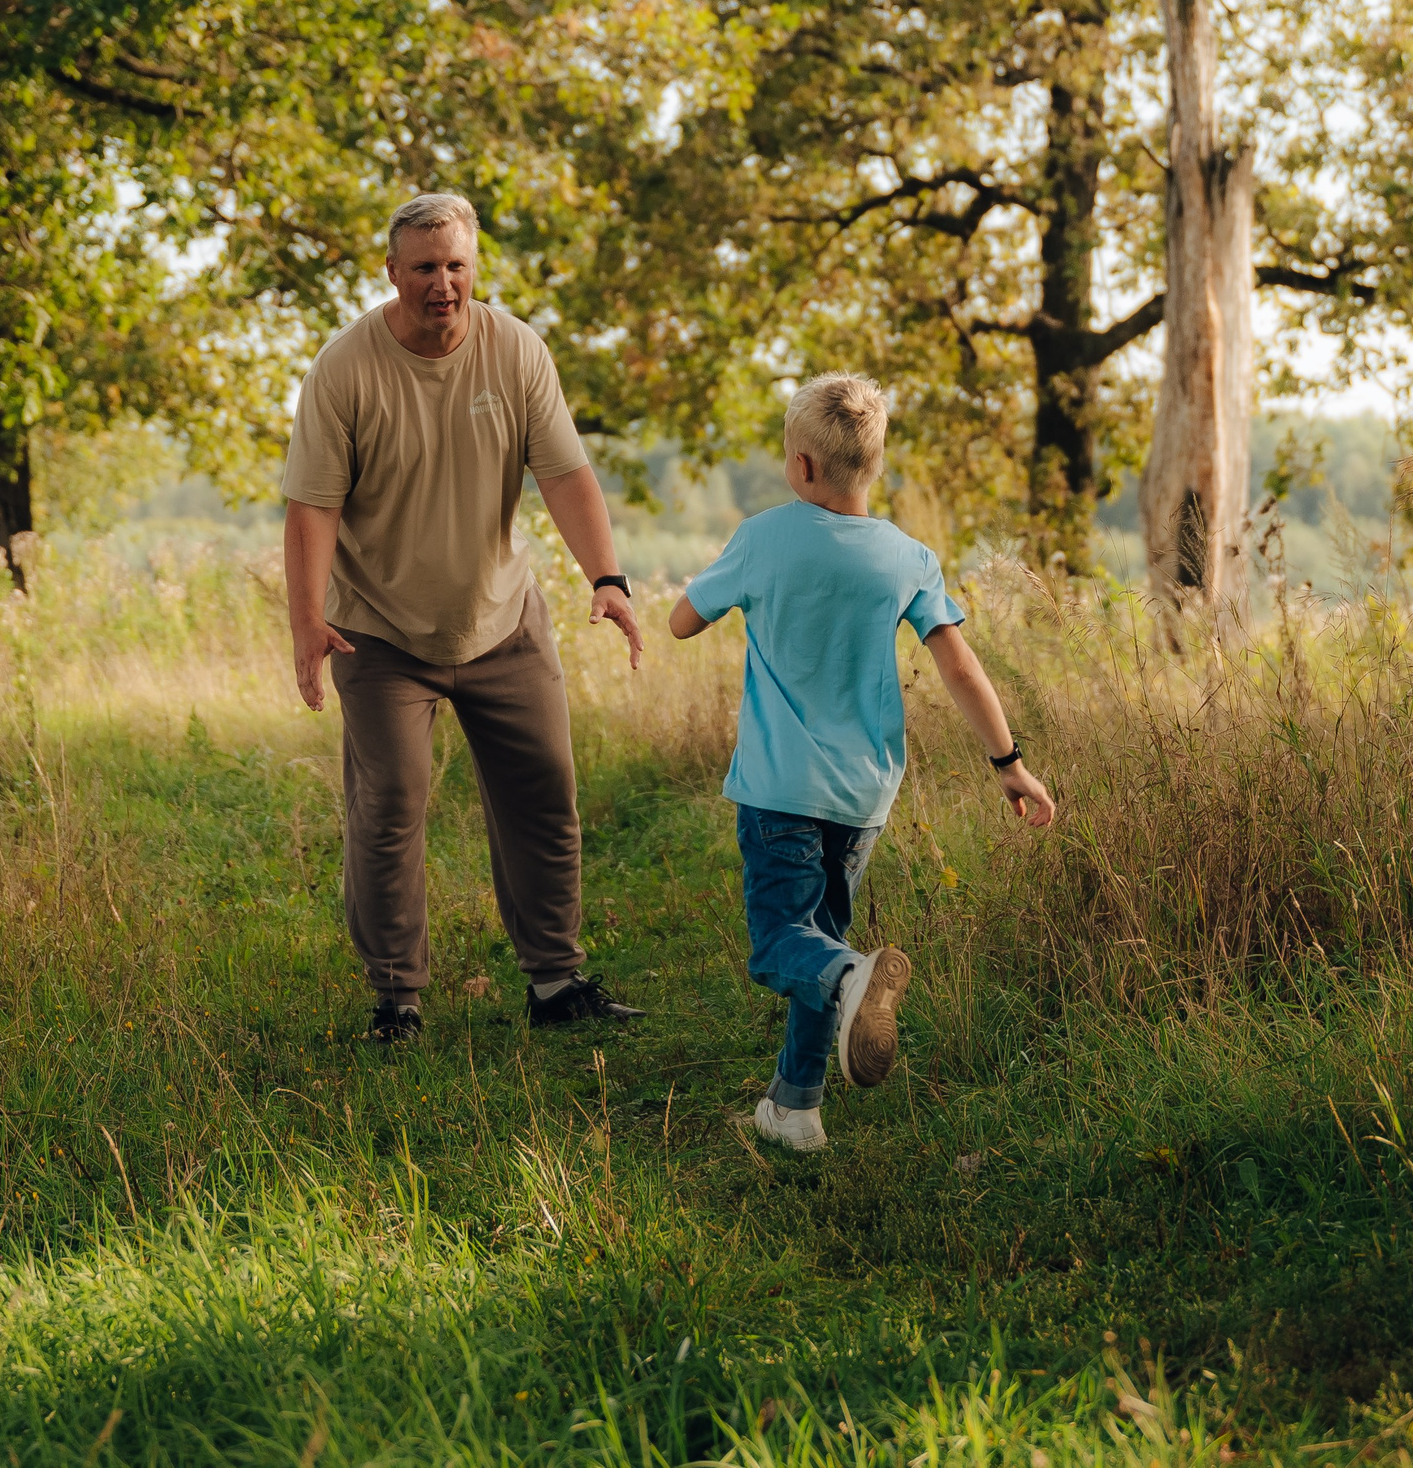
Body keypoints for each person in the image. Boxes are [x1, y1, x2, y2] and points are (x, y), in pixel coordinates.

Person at [281, 192, 646, 1042]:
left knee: (544, 793)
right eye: (424, 268)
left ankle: (555, 983)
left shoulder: (516, 350)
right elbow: (310, 510)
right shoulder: (345, 369)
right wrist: (306, 622)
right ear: (392, 272)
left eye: (457, 266)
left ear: (473, 266)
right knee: (390, 805)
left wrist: (609, 576)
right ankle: (396, 999)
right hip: (378, 629)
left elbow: (565, 474)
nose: (443, 284)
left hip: (501, 620)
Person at [669, 372, 1056, 1153]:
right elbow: (960, 669)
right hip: (862, 796)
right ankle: (796, 1107)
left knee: (786, 941)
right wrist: (1008, 762)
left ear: (802, 466)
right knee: (824, 934)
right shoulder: (907, 556)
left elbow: (682, 622)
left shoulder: (763, 537)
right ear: (872, 463)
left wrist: (729, 583)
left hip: (779, 788)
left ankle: (852, 981)